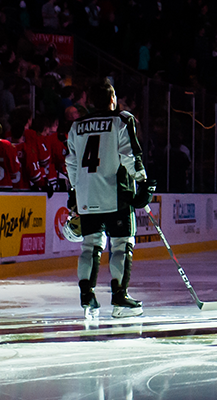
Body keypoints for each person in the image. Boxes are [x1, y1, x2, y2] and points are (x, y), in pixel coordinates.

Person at [65, 79, 151, 319]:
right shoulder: (122, 120)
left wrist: (74, 192)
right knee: (122, 243)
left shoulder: (76, 126)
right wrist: (143, 181)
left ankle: (86, 297)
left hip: (86, 194)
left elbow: (71, 162)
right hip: (115, 193)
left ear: (91, 102)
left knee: (91, 244)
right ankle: (120, 296)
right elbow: (130, 154)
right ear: (113, 99)